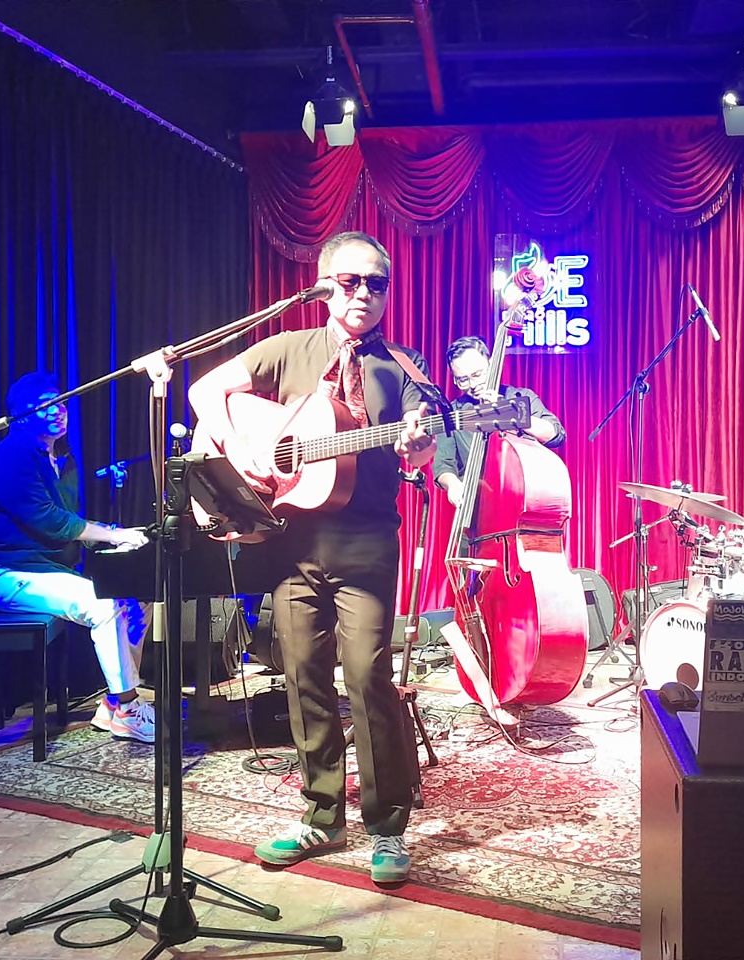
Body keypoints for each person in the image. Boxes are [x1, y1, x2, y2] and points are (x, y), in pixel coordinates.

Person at [187, 231, 435, 885]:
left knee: (368, 677)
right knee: (302, 677)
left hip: (367, 543)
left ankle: (387, 827)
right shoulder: (287, 349)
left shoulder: (404, 369)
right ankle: (322, 815)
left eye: (377, 283)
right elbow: (205, 391)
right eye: (351, 281)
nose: (364, 294)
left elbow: (421, 449)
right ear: (325, 286)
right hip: (290, 542)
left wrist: (417, 446)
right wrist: (243, 452)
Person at [0, 372, 154, 743]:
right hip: (9, 573)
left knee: (137, 597)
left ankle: (114, 703)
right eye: (44, 405)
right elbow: (49, 520)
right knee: (104, 606)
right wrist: (112, 535)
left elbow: (70, 521)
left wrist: (112, 536)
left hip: (48, 570)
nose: (57, 411)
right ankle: (127, 706)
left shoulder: (64, 459)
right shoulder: (12, 453)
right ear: (20, 416)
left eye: (60, 402)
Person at [433, 335, 565, 508]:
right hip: (478, 505)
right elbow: (443, 464)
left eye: (477, 374)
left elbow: (555, 435)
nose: (473, 384)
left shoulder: (520, 397)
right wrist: (453, 484)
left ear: (491, 364)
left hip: (525, 500)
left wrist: (508, 411)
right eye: (463, 380)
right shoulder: (452, 413)